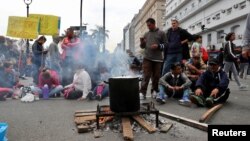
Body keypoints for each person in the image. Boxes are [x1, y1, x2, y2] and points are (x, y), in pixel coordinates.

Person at [139, 18, 167, 99]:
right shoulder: (146, 34)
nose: (148, 27)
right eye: (147, 25)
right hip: (147, 57)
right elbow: (142, 46)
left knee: (156, 76)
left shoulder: (161, 33)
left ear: (154, 24)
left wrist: (158, 46)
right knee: (146, 75)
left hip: (158, 58)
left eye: (149, 25)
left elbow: (166, 44)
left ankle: (154, 90)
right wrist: (142, 42)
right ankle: (142, 92)